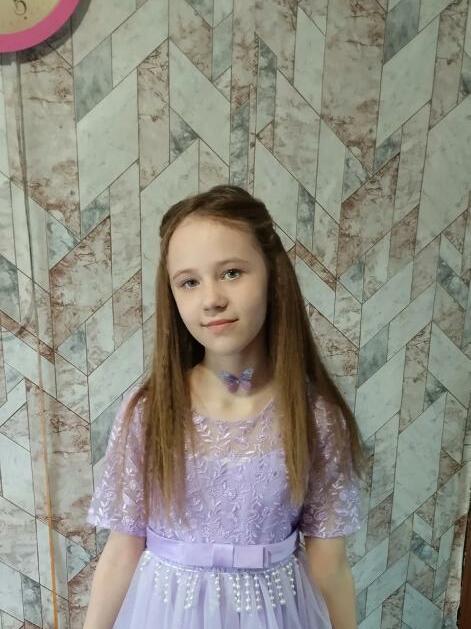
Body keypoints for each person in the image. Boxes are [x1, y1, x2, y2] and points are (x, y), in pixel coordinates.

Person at [83, 184, 367, 628]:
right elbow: (121, 552)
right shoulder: (149, 412)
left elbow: (328, 564)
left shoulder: (316, 418)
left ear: (272, 275)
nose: (212, 298)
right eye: (189, 282)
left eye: (232, 273)